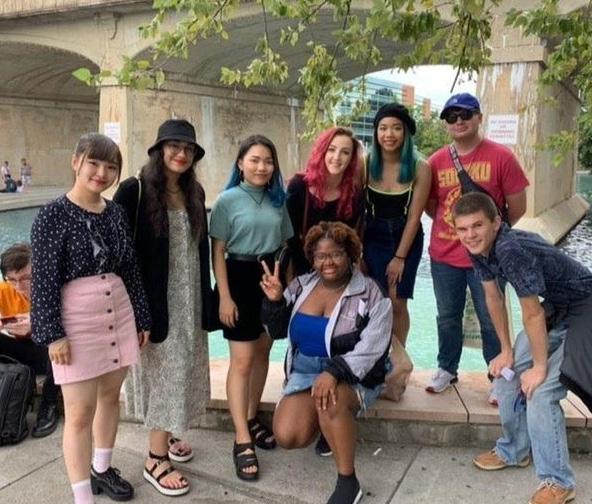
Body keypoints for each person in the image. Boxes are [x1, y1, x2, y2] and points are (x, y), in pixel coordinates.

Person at [30, 133, 151, 504]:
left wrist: (142, 316)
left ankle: (102, 468)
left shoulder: (115, 212)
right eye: (94, 163)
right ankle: (82, 496)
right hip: (77, 321)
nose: (102, 173)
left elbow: (130, 267)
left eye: (110, 166)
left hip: (119, 312)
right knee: (79, 413)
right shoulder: (51, 216)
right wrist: (53, 335)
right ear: (76, 162)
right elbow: (44, 280)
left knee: (111, 397)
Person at [452, 192, 592, 504]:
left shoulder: (510, 249)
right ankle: (514, 450)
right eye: (463, 228)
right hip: (559, 306)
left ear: (496, 223)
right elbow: (493, 297)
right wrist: (506, 350)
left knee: (542, 391)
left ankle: (559, 482)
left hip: (586, 308)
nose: (470, 234)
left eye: (477, 226)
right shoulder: (478, 248)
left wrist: (540, 368)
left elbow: (532, 313)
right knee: (507, 373)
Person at [114, 119, 214, 497]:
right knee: (164, 374)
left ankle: (166, 435)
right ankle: (155, 459)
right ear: (159, 150)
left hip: (189, 298)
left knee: (181, 368)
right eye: (174, 146)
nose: (181, 154)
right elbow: (119, 251)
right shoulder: (135, 190)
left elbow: (198, 250)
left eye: (188, 149)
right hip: (154, 300)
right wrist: (134, 309)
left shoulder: (194, 192)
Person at [260, 221, 392, 504]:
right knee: (288, 436)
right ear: (312, 258)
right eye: (320, 256)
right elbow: (276, 331)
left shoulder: (371, 293)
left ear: (350, 255)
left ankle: (348, 482)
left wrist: (334, 372)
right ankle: (328, 424)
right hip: (305, 371)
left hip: (352, 375)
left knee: (332, 402)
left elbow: (372, 349)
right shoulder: (301, 285)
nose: (327, 262)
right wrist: (274, 302)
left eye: (335, 254)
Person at [425, 92, 529, 396]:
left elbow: (517, 207)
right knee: (447, 316)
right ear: (446, 123)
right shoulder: (436, 161)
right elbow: (431, 206)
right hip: (445, 256)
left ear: (479, 118)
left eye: (466, 114)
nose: (459, 121)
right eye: (451, 116)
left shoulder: (502, 157)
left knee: (491, 318)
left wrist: (489, 239)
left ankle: (498, 376)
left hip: (489, 257)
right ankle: (447, 367)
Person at [209, 134, 293, 481]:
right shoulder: (227, 200)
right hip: (239, 278)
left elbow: (285, 245)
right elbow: (217, 251)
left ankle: (251, 415)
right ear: (240, 163)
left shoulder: (278, 200)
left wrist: (286, 291)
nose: (262, 167)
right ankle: (242, 438)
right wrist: (224, 296)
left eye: (268, 161)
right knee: (242, 360)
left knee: (261, 353)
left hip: (270, 278)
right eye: (255, 160)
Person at [364, 103, 431, 402]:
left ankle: (396, 364)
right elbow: (357, 209)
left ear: (405, 133)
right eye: (383, 128)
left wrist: (400, 257)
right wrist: (358, 254)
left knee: (397, 302)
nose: (388, 134)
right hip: (372, 235)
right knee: (376, 301)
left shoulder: (420, 167)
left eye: (396, 128)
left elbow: (415, 217)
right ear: (376, 132)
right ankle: (376, 358)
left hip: (405, 236)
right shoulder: (366, 163)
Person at [286, 126, 364, 276]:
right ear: (322, 152)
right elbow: (290, 236)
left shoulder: (354, 194)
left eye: (345, 152)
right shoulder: (299, 185)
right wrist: (305, 270)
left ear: (351, 159)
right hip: (304, 268)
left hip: (338, 271)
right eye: (331, 149)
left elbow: (350, 240)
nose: (337, 157)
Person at [0, 243, 60, 438]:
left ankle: (49, 405)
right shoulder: (5, 289)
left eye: (26, 278)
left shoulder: (52, 288)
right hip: (21, 351)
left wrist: (37, 325)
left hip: (50, 354)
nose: (19, 286)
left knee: (56, 341)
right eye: (12, 279)